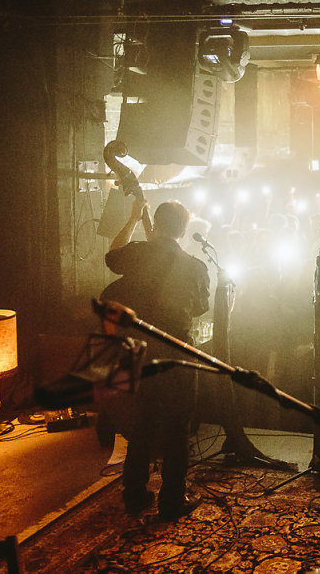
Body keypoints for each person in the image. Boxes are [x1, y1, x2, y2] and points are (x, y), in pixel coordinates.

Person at [105, 198, 210, 521]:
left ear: (158, 224)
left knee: (142, 423)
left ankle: (134, 494)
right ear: (183, 229)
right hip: (177, 352)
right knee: (178, 428)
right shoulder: (195, 266)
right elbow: (201, 308)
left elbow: (112, 255)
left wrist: (134, 218)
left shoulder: (138, 253)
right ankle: (171, 501)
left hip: (140, 350)